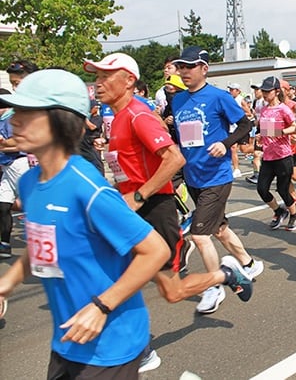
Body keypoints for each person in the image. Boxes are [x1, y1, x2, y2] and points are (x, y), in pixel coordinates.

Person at [84, 52, 253, 372]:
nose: (99, 83)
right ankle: (141, 348)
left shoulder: (138, 115)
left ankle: (226, 275)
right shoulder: (120, 117)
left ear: (129, 81)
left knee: (168, 288)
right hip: (131, 210)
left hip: (152, 210)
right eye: (97, 76)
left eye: (107, 76)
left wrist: (139, 195)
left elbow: (173, 158)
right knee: (114, 278)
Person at [0, 69, 171, 377]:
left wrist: (101, 307)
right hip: (67, 339)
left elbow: (155, 251)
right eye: (15, 111)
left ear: (61, 120)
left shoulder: (87, 187)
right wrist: (6, 284)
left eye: (27, 113)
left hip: (111, 343)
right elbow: (41, 241)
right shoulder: (28, 182)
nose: (14, 120)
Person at [170, 46, 262, 314]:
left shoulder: (219, 97)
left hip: (217, 176)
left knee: (199, 234)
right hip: (193, 176)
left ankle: (215, 286)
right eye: (181, 67)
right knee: (219, 228)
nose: (184, 71)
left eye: (190, 66)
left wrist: (225, 143)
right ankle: (248, 263)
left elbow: (246, 125)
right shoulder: (177, 101)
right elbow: (182, 138)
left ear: (204, 68)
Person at [255, 76, 296, 231]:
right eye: (263, 90)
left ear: (276, 92)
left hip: (283, 155)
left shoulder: (283, 109)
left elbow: (295, 126)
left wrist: (281, 132)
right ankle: (278, 211)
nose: (264, 93)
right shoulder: (263, 109)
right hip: (268, 156)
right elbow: (264, 130)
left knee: (283, 189)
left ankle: (294, 215)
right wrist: (261, 136)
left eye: (267, 91)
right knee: (262, 188)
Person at [0, 89, 29, 259]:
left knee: (31, 202)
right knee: (3, 205)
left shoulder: (11, 120)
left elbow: (21, 145)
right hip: (6, 167)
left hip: (18, 164)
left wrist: (2, 146)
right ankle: (4, 244)